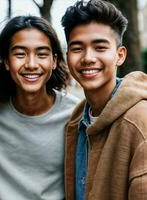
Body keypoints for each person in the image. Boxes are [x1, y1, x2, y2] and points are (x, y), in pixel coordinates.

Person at [0, 15, 79, 200]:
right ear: (5, 61)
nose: (31, 64)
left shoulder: (75, 115)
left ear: (54, 60)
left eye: (42, 54)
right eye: (20, 54)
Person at [61, 0, 147, 199]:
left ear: (120, 55)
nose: (88, 57)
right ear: (67, 57)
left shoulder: (139, 121)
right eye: (77, 48)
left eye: (100, 47)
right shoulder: (76, 120)